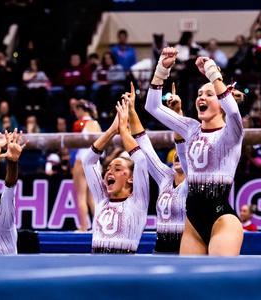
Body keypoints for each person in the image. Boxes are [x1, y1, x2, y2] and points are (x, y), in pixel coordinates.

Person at [145, 47, 244, 256]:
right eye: (199, 94)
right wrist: (161, 70)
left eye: (209, 94)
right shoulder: (190, 128)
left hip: (221, 220)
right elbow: (152, 107)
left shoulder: (231, 132)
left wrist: (212, 72)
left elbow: (233, 110)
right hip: (192, 223)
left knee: (217, 282)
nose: (202, 98)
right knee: (187, 283)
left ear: (221, 100)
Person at [125, 82, 188, 253]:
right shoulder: (164, 177)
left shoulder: (193, 181)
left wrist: (177, 114)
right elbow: (144, 144)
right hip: (159, 251)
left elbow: (182, 145)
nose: (176, 155)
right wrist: (131, 110)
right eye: (173, 153)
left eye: (180, 153)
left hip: (186, 253)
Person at [82, 100, 149, 254]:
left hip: (123, 271)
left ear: (131, 178)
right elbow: (88, 161)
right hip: (96, 267)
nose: (110, 172)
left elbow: (141, 160)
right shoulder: (102, 200)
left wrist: (124, 132)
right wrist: (112, 130)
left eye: (117, 169)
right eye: (108, 168)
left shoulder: (138, 202)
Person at [72, 99, 101, 231]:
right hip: (95, 161)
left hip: (82, 160)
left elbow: (72, 145)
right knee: (92, 197)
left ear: (81, 110)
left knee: (81, 196)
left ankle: (84, 226)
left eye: (76, 110)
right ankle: (98, 227)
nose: (75, 113)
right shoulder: (96, 124)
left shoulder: (79, 124)